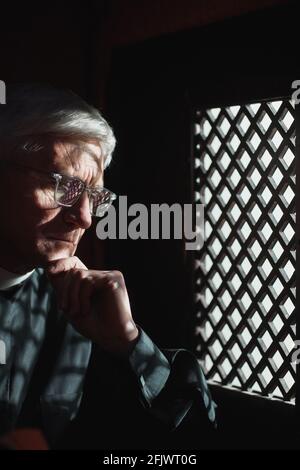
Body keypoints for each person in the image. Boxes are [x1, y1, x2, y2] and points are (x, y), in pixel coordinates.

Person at [0, 84, 216, 450]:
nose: (84, 218)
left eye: (95, 197)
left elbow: (194, 441)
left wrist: (129, 343)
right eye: (64, 187)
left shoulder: (76, 306)